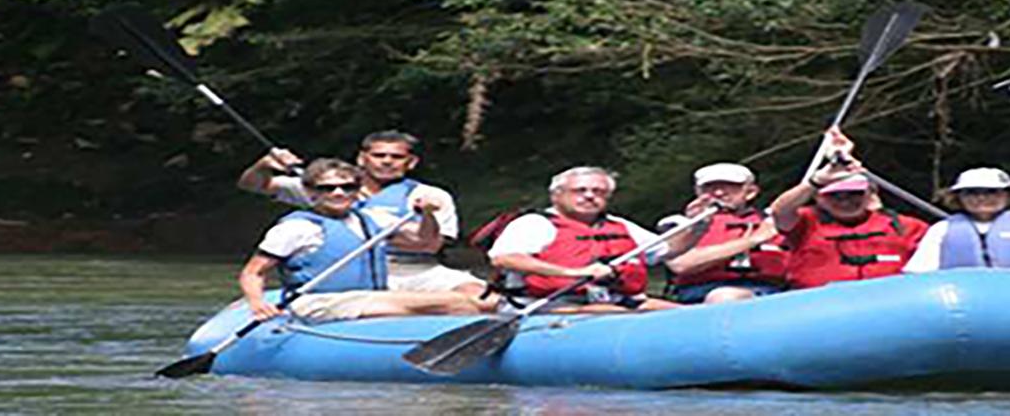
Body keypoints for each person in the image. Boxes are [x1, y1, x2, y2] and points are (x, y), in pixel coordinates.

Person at [236, 130, 487, 302]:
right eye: (379, 155)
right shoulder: (324, 188)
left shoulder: (430, 195)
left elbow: (431, 245)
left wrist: (369, 226)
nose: (387, 162)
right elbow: (252, 184)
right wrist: (264, 165)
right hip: (356, 271)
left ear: (411, 162)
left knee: (478, 293)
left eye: (397, 157)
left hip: (417, 269)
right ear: (362, 158)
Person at [486, 166, 686, 313]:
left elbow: (668, 250)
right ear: (557, 196)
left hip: (615, 301)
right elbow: (504, 259)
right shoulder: (534, 223)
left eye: (599, 192)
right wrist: (575, 272)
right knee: (613, 313)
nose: (590, 196)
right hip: (547, 305)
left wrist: (697, 228)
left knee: (683, 312)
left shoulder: (620, 225)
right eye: (579, 191)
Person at [768, 130, 930, 290]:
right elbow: (780, 211)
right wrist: (817, 180)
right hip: (822, 304)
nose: (845, 201)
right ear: (818, 198)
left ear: (870, 194)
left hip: (888, 303)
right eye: (835, 196)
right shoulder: (805, 222)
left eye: (854, 194)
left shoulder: (907, 227)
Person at [661, 163, 788, 304]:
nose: (718, 193)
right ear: (698, 192)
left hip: (771, 293)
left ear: (750, 192)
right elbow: (680, 263)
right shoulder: (679, 224)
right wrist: (753, 240)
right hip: (700, 294)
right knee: (724, 296)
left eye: (730, 187)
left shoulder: (776, 221)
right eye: (709, 188)